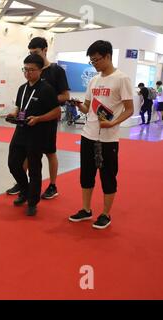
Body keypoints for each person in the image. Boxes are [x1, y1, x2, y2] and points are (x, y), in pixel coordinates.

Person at [69, 40, 134, 230]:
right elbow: (88, 107)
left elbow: (129, 109)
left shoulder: (122, 79)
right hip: (88, 135)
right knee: (86, 175)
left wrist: (113, 123)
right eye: (92, 61)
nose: (95, 63)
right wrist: (78, 104)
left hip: (108, 138)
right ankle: (86, 209)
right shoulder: (94, 80)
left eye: (97, 59)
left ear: (107, 56)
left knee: (107, 176)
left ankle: (105, 214)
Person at [6, 37, 70, 200]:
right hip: (27, 123)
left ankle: (52, 185)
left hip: (47, 122)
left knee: (50, 152)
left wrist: (45, 99)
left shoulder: (56, 71)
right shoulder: (26, 78)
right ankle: (23, 185)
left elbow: (65, 96)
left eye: (36, 52)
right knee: (25, 155)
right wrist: (17, 113)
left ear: (45, 50)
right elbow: (21, 103)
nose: (33, 55)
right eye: (30, 53)